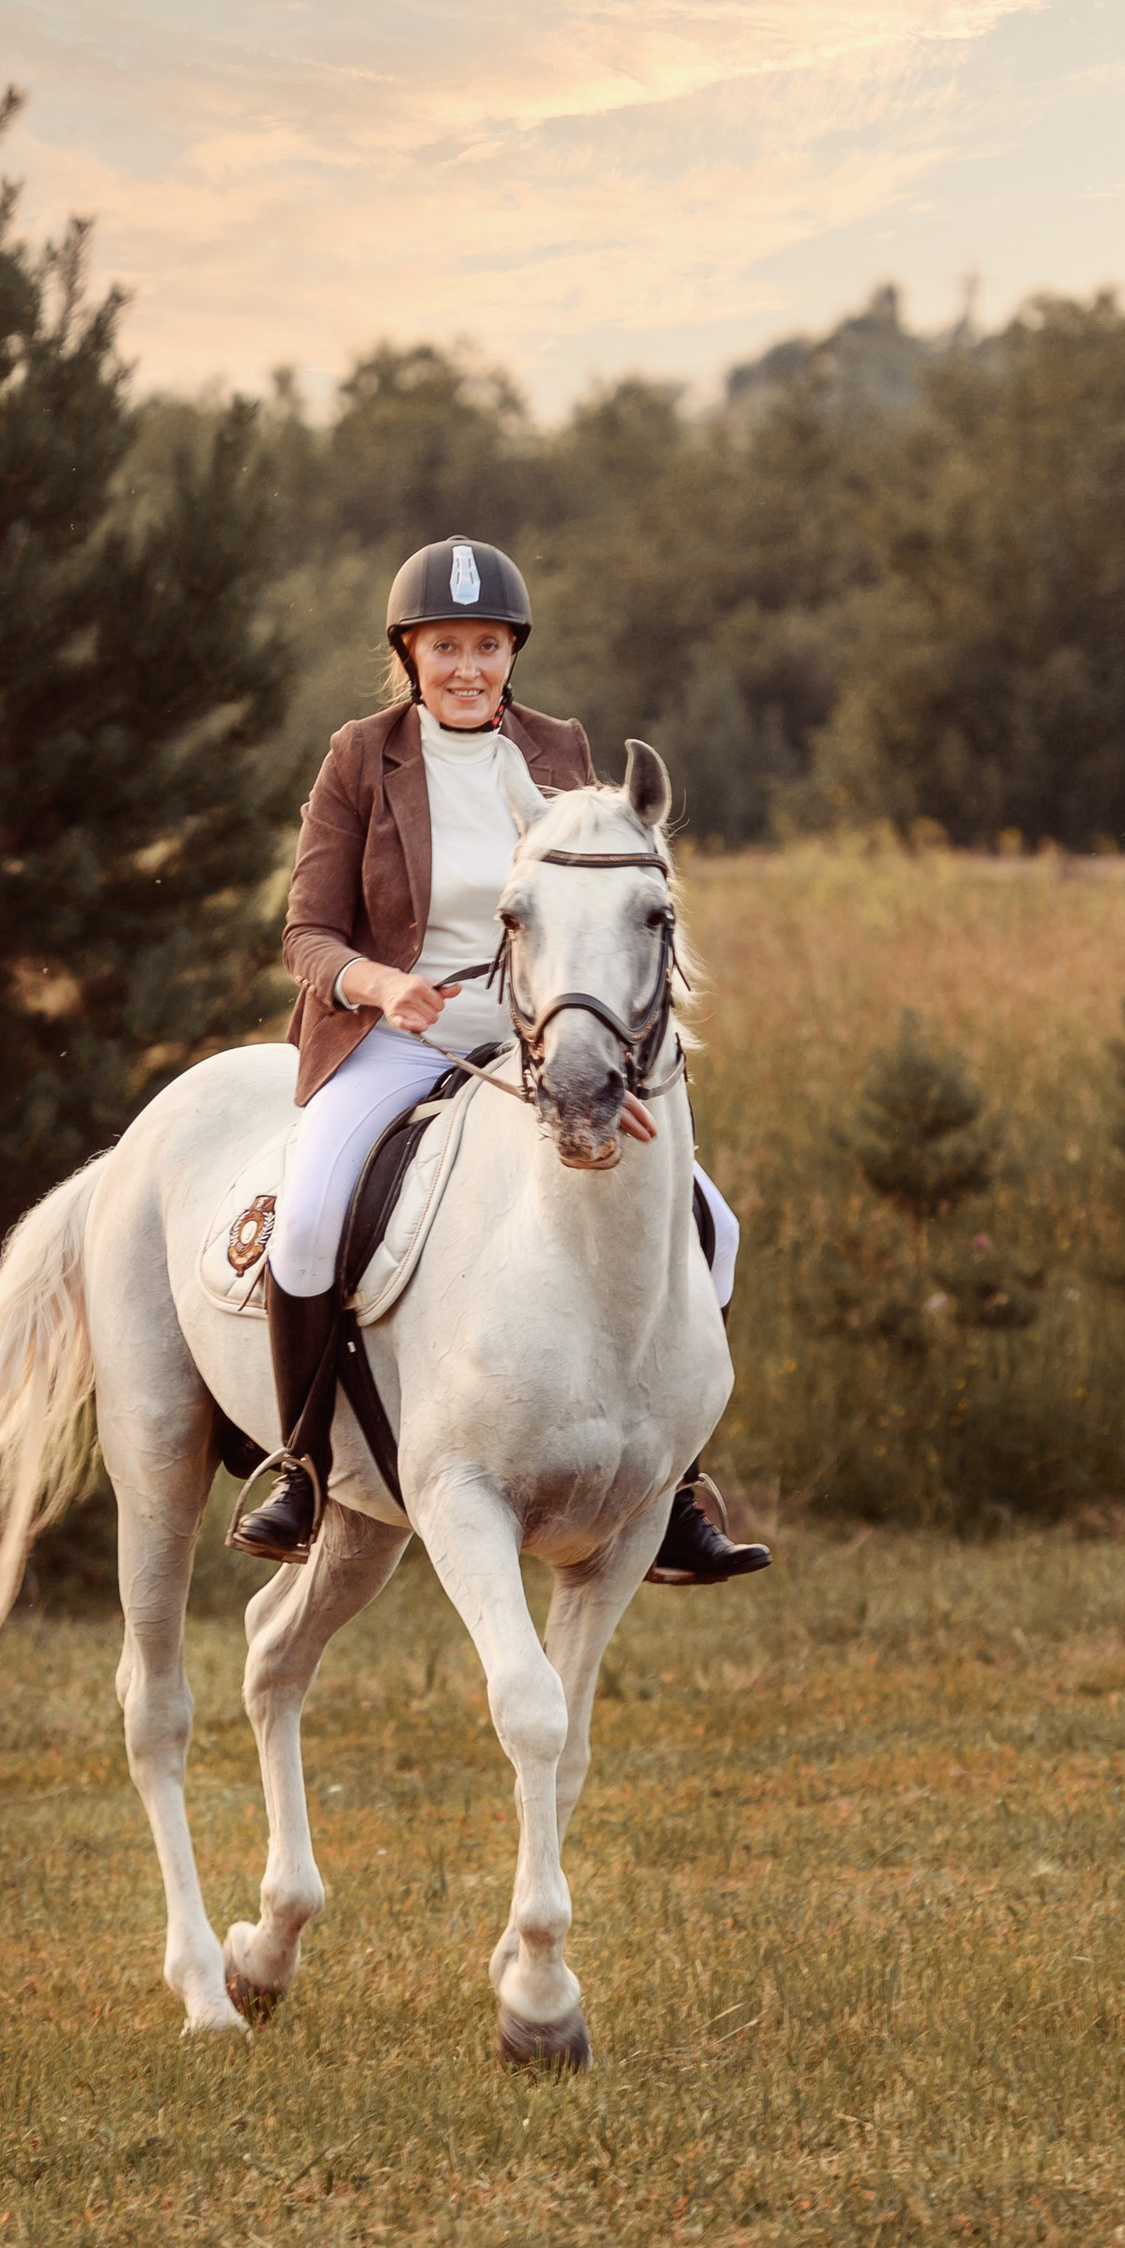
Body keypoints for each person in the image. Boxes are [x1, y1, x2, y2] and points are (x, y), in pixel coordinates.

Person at [231, 534, 759, 1580]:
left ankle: (677, 1483)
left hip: (543, 1047)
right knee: (307, 1226)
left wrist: (601, 1062)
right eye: (444, 646)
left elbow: (615, 912)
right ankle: (297, 1461)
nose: (466, 667)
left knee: (715, 1227)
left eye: (486, 645)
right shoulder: (359, 756)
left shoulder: (562, 750)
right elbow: (305, 935)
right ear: (408, 652)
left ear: (511, 650)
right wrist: (381, 984)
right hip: (397, 1042)